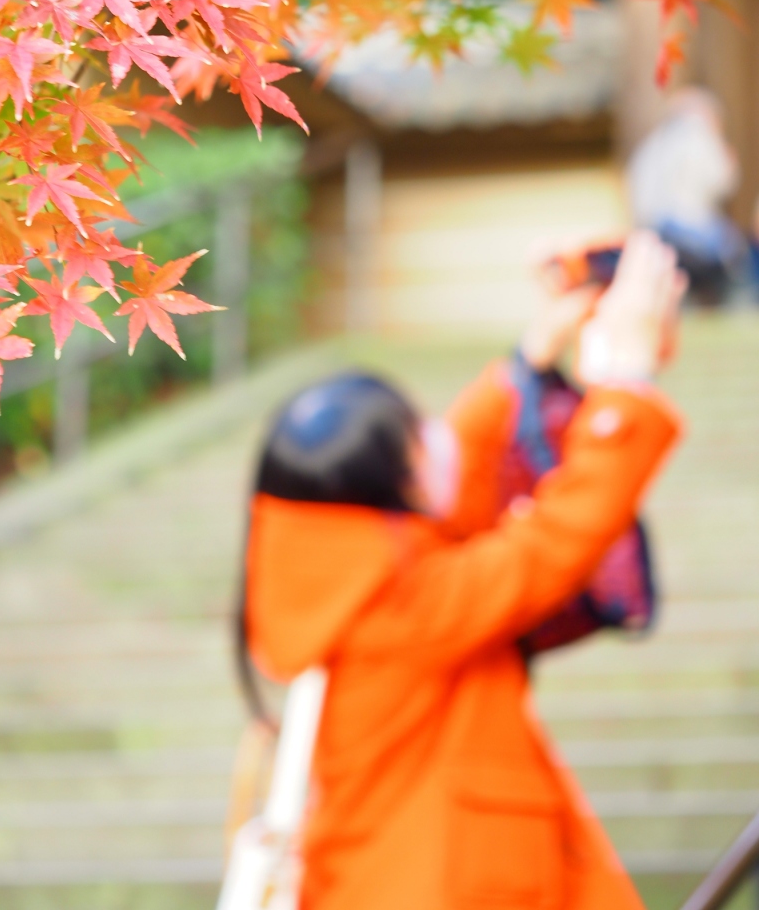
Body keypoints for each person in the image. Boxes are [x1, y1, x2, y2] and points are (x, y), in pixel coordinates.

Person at [236, 232, 685, 910]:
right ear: (387, 495)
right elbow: (546, 547)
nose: (437, 439)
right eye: (415, 444)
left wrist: (533, 352)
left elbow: (456, 476)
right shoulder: (404, 612)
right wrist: (621, 385)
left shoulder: (354, 586)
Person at [627, 86, 742, 304]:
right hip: (689, 230)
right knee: (735, 248)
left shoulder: (652, 144)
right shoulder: (700, 136)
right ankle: (733, 302)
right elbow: (722, 182)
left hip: (652, 231)